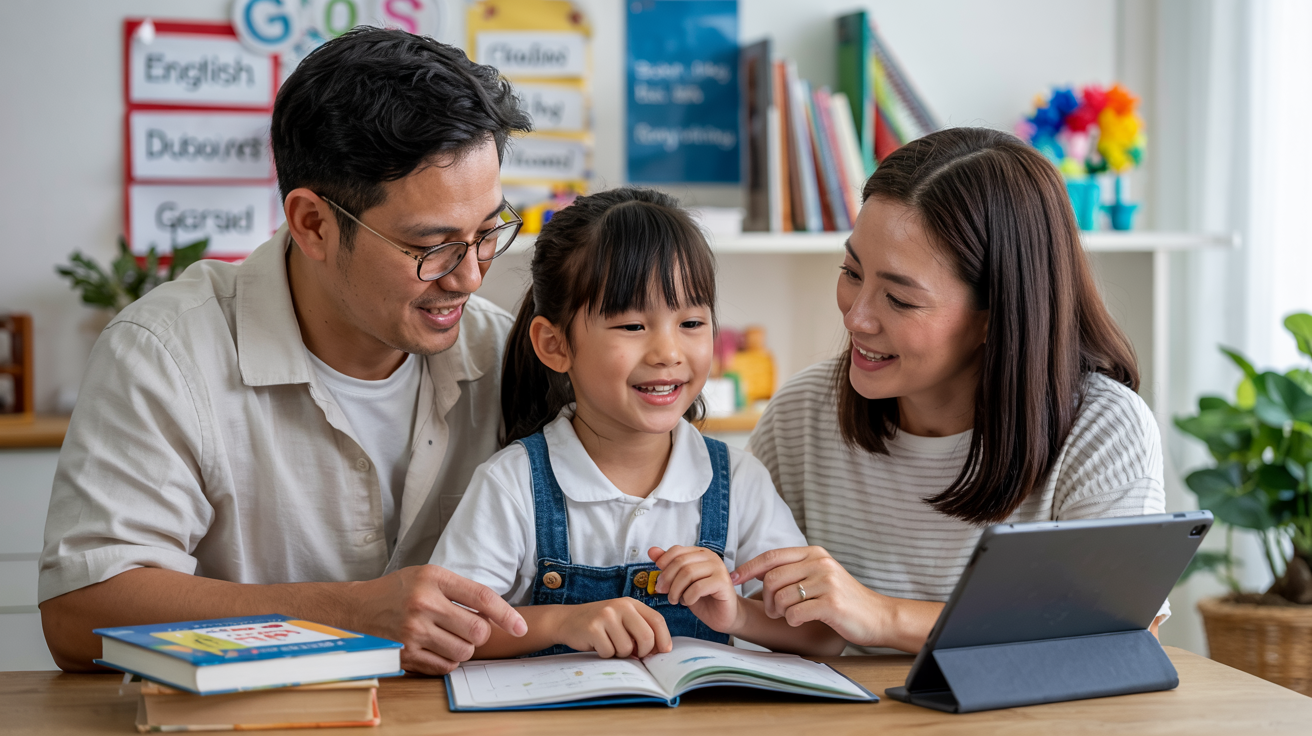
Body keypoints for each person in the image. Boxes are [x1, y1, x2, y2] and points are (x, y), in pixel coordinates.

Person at [38, 29, 533, 674]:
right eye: (431, 245)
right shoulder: (166, 351)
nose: (469, 275)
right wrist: (349, 615)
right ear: (312, 224)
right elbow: (81, 611)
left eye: (490, 231)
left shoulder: (507, 353)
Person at [732, 127, 1169, 654]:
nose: (856, 315)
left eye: (899, 298)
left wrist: (883, 616)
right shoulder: (802, 414)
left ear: (996, 315)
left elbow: (1122, 633)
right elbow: (754, 611)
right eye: (851, 271)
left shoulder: (1101, 428)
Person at [429, 188, 844, 659]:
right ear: (555, 345)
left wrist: (739, 615)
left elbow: (825, 635)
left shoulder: (739, 483)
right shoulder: (514, 484)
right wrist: (560, 622)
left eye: (691, 323)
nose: (668, 353)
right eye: (632, 326)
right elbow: (448, 627)